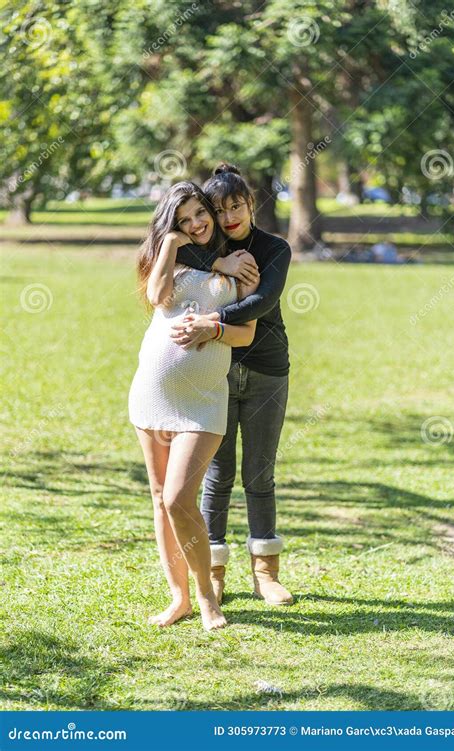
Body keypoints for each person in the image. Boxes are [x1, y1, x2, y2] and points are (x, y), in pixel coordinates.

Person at [128, 181, 258, 631]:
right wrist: (169, 243)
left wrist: (212, 328)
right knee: (161, 499)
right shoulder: (170, 254)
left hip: (204, 400)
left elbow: (246, 333)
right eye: (182, 220)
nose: (195, 224)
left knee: (180, 496)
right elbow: (156, 296)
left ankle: (208, 598)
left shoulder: (239, 262)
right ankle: (178, 598)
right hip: (152, 392)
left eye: (198, 214)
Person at [170, 165, 293, 606]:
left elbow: (264, 300)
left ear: (251, 204)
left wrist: (212, 320)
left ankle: (266, 573)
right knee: (215, 477)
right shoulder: (207, 248)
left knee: (259, 472)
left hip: (266, 370)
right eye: (218, 210)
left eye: (236, 206)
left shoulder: (274, 248)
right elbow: (169, 253)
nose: (228, 217)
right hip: (213, 373)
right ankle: (214, 571)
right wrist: (219, 259)